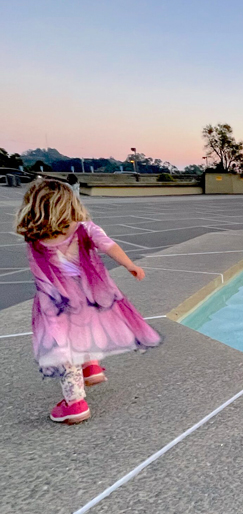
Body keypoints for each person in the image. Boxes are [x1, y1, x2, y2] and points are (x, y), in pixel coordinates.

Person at [14, 179, 161, 424]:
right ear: (72, 204)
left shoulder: (34, 238)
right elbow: (109, 246)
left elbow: (40, 272)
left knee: (64, 348)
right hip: (90, 295)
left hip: (56, 302)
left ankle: (75, 404)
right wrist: (130, 265)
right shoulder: (85, 228)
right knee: (90, 328)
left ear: (35, 207)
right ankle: (92, 366)